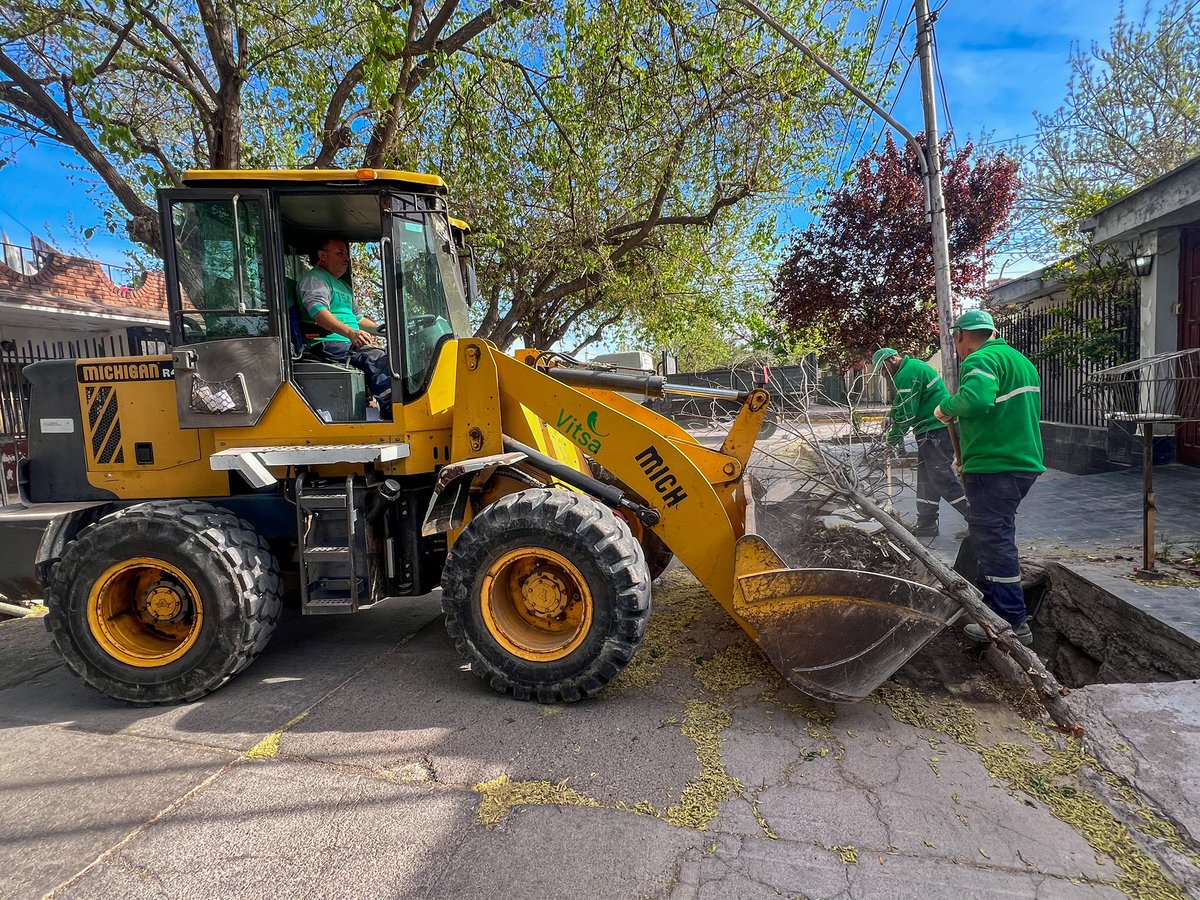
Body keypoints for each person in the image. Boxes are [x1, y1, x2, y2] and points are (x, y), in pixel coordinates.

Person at [934, 309, 1045, 645]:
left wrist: (945, 408)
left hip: (996, 466)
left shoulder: (980, 359)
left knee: (994, 538)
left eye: (956, 341)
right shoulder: (1020, 361)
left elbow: (977, 399)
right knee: (991, 533)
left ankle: (1011, 621)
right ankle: (987, 602)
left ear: (960, 336)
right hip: (1022, 463)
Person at [872, 347, 970, 538]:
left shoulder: (908, 373)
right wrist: (891, 415)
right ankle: (926, 525)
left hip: (937, 429)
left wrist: (891, 442)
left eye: (883, 368)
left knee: (941, 476)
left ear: (893, 359)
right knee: (926, 478)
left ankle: (976, 520)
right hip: (930, 430)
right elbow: (901, 404)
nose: (883, 373)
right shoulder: (909, 370)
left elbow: (907, 414)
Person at [299, 237, 392, 419]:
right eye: (340, 253)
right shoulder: (314, 279)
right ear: (323, 256)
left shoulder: (343, 286)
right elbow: (318, 312)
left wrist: (384, 330)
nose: (347, 258)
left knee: (389, 355)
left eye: (346, 253)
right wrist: (350, 333)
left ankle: (371, 403)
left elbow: (358, 319)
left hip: (347, 343)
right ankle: (393, 409)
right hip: (328, 343)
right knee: (375, 357)